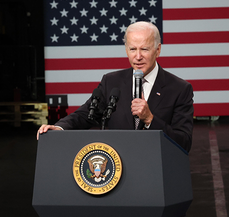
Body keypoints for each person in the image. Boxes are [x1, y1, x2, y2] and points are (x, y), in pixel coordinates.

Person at [36, 21, 194, 152]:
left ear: (157, 50)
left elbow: (184, 141)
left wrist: (149, 119)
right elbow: (84, 115)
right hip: (116, 171)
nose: (138, 57)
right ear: (126, 50)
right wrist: (59, 128)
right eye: (132, 49)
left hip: (156, 169)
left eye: (144, 49)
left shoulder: (179, 89)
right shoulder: (111, 82)